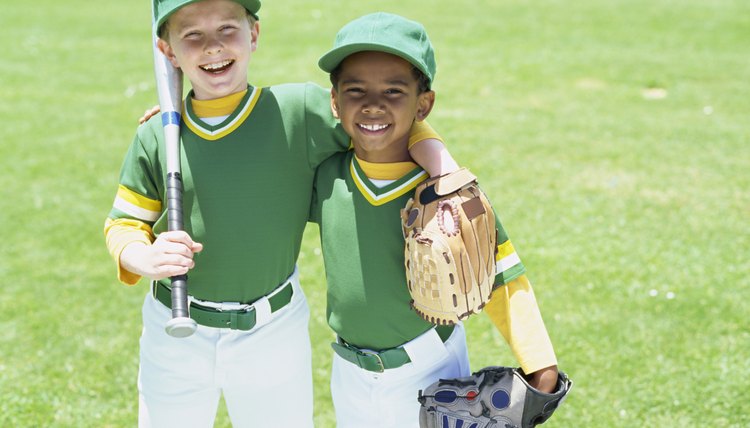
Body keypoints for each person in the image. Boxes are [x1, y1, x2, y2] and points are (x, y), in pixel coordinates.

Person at [103, 1, 457, 427]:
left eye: (227, 30)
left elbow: (386, 118)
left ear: (253, 35)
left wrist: (443, 165)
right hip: (173, 328)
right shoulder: (158, 136)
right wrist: (140, 256)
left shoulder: (300, 112)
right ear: (169, 52)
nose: (213, 47)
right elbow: (123, 223)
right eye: (192, 35)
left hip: (272, 330)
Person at [309, 12, 559, 427]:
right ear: (334, 100)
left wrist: (540, 363)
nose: (373, 104)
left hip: (428, 367)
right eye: (355, 90)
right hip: (348, 369)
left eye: (394, 90)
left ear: (423, 104)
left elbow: (503, 278)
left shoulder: (452, 196)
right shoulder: (326, 174)